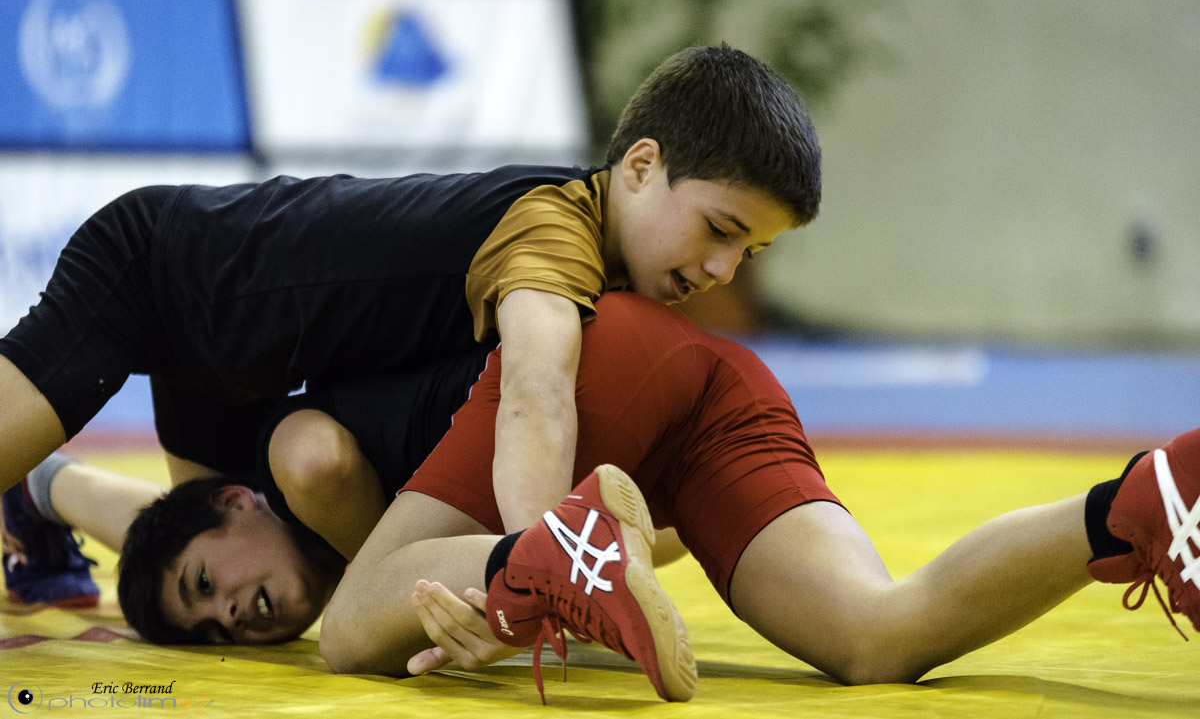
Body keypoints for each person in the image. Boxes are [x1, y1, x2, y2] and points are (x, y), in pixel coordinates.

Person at [0, 44, 822, 606]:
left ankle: (45, 488)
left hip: (241, 362)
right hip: (155, 268)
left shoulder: (597, 259)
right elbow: (534, 394)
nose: (724, 269)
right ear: (639, 165)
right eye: (720, 230)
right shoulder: (556, 234)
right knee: (276, 559)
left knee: (222, 554)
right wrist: (537, 569)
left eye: (748, 252)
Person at [117, 292, 1200, 703]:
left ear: (230, 505)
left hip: (592, 362)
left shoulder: (294, 467)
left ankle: (538, 554)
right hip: (702, 399)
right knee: (877, 637)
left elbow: (302, 472)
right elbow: (653, 533)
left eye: (206, 583)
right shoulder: (351, 554)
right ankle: (1137, 507)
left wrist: (44, 479)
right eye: (210, 627)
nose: (233, 614)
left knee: (356, 630)